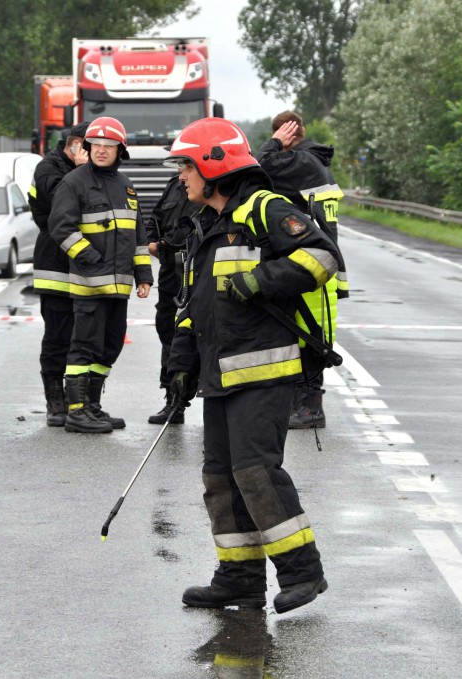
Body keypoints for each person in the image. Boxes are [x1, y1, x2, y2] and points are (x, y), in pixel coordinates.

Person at [165, 117, 339, 613]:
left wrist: (261, 280)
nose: (181, 176)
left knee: (256, 472)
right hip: (219, 376)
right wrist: (180, 368)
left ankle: (303, 571)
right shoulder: (207, 226)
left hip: (264, 372)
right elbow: (192, 308)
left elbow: (322, 257)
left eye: (186, 166)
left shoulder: (266, 209)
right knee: (220, 478)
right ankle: (239, 577)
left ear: (213, 165)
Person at [48, 116, 153, 434]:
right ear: (88, 148)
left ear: (120, 150)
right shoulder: (74, 183)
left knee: (110, 346)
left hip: (119, 286)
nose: (102, 151)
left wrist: (143, 274)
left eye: (109, 146)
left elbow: (137, 232)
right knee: (85, 345)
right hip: (89, 284)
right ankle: (77, 411)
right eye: (96, 146)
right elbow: (61, 228)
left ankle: (92, 405)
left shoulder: (125, 185)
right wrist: (91, 258)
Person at [257, 111, 347, 430]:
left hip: (311, 266)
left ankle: (310, 409)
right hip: (321, 267)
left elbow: (260, 168)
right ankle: (303, 404)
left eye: (282, 135)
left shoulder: (302, 162)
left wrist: (273, 143)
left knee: (308, 336)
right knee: (308, 335)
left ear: (291, 132)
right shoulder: (315, 165)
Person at [28, 121, 89, 427]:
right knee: (58, 337)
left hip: (88, 266)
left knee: (87, 337)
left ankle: (83, 401)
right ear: (76, 144)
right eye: (90, 147)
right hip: (56, 264)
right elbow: (60, 206)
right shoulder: (48, 168)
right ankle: (56, 401)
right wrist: (80, 170)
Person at [145, 175, 200, 424]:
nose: (181, 172)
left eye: (186, 164)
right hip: (171, 268)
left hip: (198, 265)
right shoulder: (175, 184)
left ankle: (216, 402)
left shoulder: (215, 183)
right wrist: (153, 241)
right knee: (168, 329)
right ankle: (173, 401)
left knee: (197, 332)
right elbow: (156, 217)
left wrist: (173, 241)